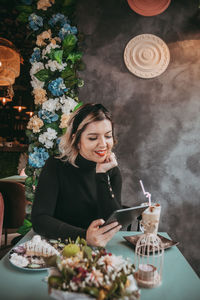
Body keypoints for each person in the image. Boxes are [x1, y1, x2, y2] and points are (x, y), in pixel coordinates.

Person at [31, 103, 122, 247]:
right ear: (77, 140)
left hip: (99, 250)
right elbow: (39, 219)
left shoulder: (112, 171)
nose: (103, 144)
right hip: (57, 247)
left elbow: (112, 223)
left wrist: (102, 175)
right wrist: (84, 237)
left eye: (108, 136)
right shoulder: (56, 166)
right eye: (93, 138)